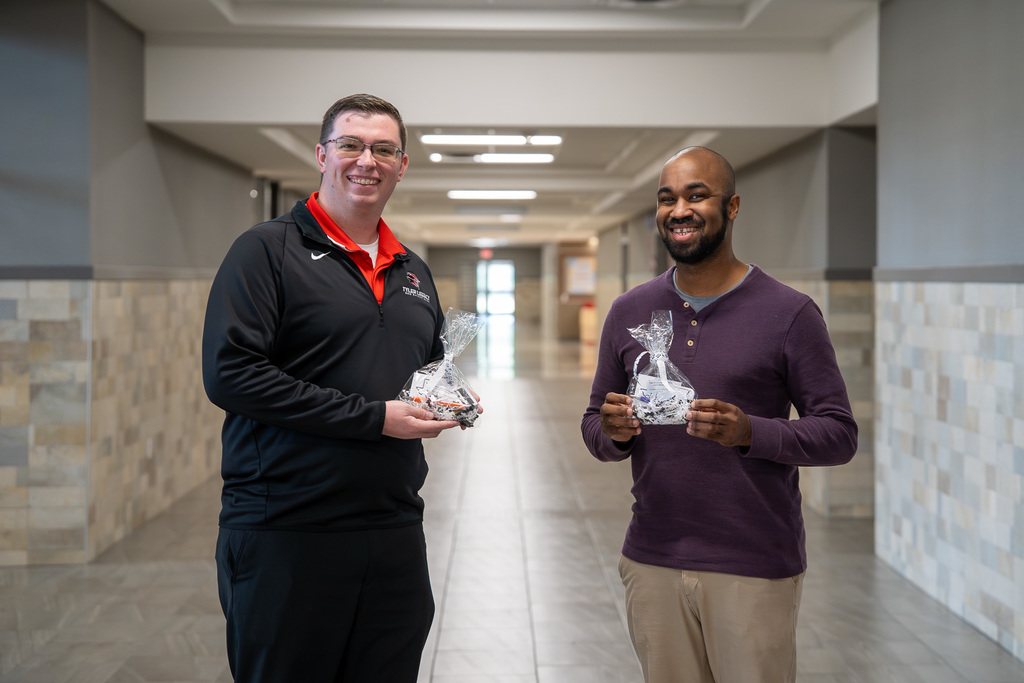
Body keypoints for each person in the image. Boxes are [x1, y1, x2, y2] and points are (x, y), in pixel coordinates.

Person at [202, 93, 469, 682]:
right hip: (287, 530)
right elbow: (231, 374)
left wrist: (446, 398)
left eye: (384, 149)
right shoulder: (265, 251)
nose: (366, 161)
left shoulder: (413, 270)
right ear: (322, 155)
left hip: (394, 528)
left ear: (403, 165)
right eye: (351, 144)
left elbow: (420, 372)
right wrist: (373, 418)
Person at [580, 146, 858, 683]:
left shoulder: (789, 312)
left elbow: (839, 433)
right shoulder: (629, 311)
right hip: (653, 558)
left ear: (731, 207)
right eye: (667, 198)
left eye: (696, 195)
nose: (679, 210)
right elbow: (595, 425)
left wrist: (751, 432)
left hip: (752, 563)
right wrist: (613, 432)